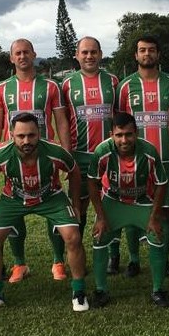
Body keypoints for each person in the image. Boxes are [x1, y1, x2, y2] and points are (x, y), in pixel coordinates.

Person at [0, 112, 88, 313]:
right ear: (11, 134)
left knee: (73, 237)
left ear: (39, 133)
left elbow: (73, 170)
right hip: (13, 199)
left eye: (31, 135)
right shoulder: (0, 154)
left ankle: (79, 292)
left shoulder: (55, 151)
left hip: (51, 197)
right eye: (21, 136)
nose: (26, 140)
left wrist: (76, 205)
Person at [0, 39, 72, 283]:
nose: (22, 56)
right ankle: (19, 263)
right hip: (12, 158)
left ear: (34, 54)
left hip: (46, 157)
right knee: (14, 203)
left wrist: (65, 153)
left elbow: (62, 120)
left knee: (52, 202)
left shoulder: (50, 87)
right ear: (11, 58)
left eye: (26, 52)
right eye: (17, 53)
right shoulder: (2, 88)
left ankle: (58, 261)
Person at [87, 112, 169, 308]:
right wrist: (100, 216)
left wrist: (154, 216)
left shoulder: (149, 151)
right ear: (111, 134)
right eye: (119, 135)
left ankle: (158, 289)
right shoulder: (102, 151)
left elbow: (162, 183)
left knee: (158, 235)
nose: (124, 140)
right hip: (114, 200)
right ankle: (100, 290)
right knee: (99, 237)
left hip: (141, 200)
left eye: (129, 134)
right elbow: (92, 181)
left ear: (137, 133)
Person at [115, 36, 169, 278]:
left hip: (165, 158)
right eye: (142, 50)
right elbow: (120, 123)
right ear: (136, 55)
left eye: (152, 50)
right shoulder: (125, 86)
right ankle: (133, 259)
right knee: (132, 209)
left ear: (158, 54)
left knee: (164, 210)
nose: (147, 54)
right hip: (134, 158)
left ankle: (162, 258)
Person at [61, 37, 119, 248]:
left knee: (111, 204)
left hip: (110, 154)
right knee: (79, 205)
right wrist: (67, 157)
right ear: (77, 55)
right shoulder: (67, 83)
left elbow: (119, 116)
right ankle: (77, 250)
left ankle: (113, 255)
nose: (89, 56)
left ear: (100, 54)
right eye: (84, 52)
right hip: (80, 155)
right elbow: (62, 121)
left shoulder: (112, 81)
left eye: (93, 52)